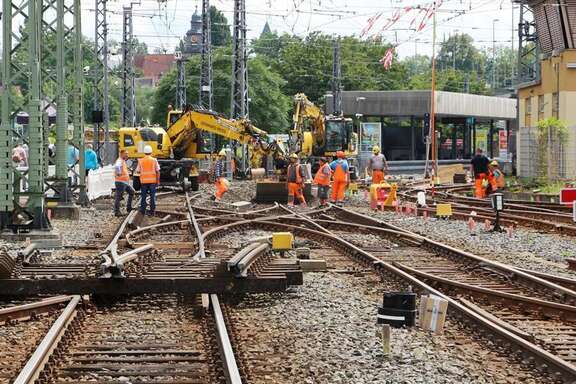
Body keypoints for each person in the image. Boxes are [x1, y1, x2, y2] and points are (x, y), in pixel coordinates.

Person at [135, 145, 160, 216]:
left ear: (144, 152)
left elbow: (137, 171)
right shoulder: (154, 160)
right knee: (152, 197)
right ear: (151, 152)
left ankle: (143, 211)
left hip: (144, 182)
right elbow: (158, 171)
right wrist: (158, 181)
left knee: (143, 196)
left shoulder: (141, 161)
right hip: (152, 182)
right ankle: (152, 212)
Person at [114, 150, 134, 217]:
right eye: (126, 154)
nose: (127, 155)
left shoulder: (123, 161)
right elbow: (117, 167)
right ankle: (117, 212)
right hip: (120, 182)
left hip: (124, 182)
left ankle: (129, 208)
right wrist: (119, 172)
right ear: (121, 154)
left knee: (132, 192)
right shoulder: (119, 160)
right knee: (118, 197)